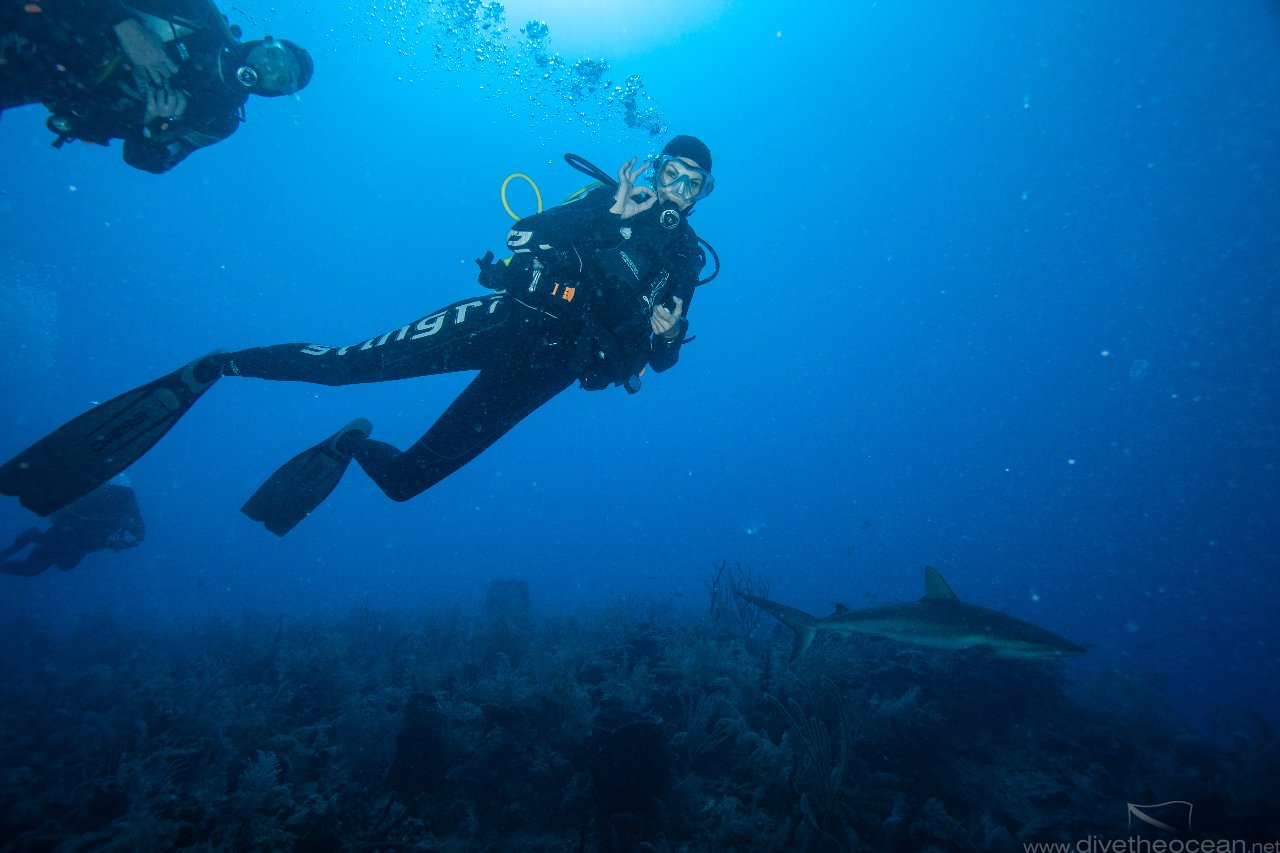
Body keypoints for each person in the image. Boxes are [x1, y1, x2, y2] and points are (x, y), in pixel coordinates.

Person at [0, 135, 717, 536]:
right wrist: (612, 217)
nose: (677, 189)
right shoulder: (605, 200)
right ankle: (224, 365)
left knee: (405, 484)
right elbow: (520, 237)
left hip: (547, 373)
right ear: (654, 167)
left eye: (693, 184)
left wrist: (666, 334)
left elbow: (658, 360)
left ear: (702, 195)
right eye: (672, 173)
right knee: (342, 367)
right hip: (503, 323)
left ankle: (346, 445)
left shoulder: (685, 261)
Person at [0, 0, 313, 173]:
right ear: (265, 42)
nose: (271, 68)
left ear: (272, 92)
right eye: (275, 56)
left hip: (43, 85)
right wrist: (123, 24)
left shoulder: (219, 120)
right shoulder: (198, 14)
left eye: (281, 79)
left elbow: (147, 160)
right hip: (34, 25)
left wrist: (156, 127)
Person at [0, 475, 145, 576]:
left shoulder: (126, 502)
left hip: (80, 539)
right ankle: (32, 540)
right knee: (32, 568)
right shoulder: (111, 501)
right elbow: (84, 531)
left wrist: (134, 537)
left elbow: (139, 528)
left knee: (64, 565)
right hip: (67, 532)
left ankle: (36, 538)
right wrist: (111, 543)